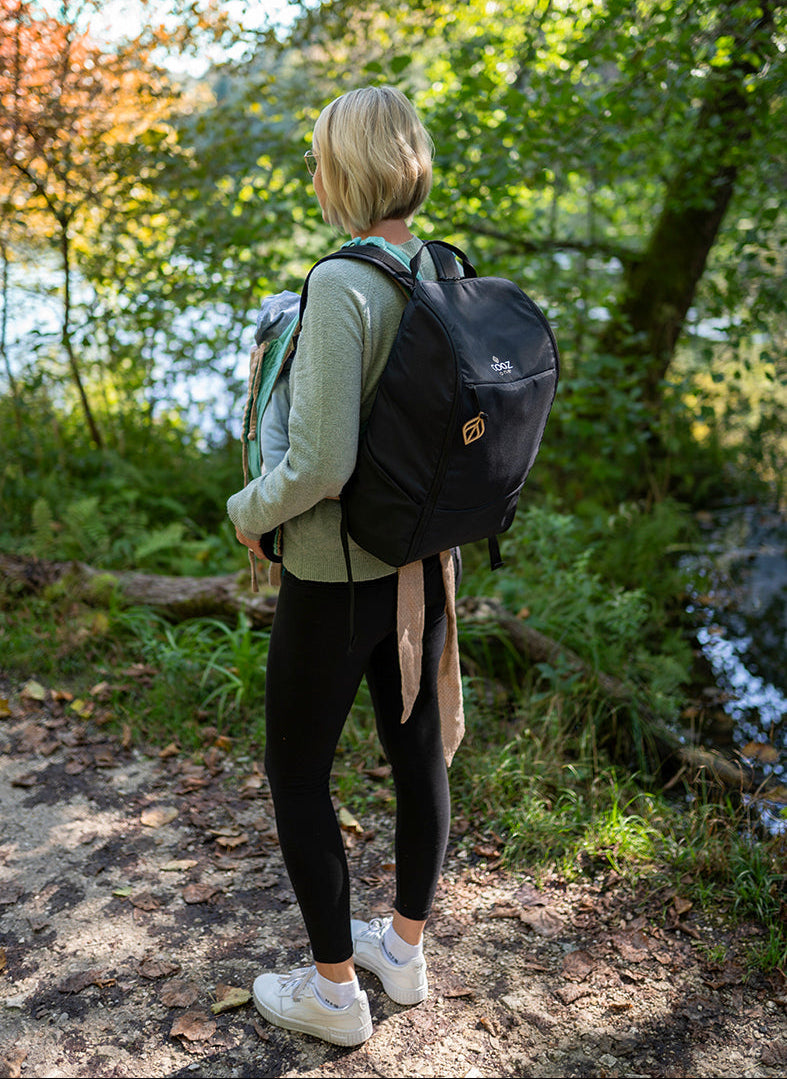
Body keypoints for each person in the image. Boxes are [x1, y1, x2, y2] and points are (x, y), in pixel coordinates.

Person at [226, 85, 464, 1047]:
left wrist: (247, 512)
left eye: (322, 157)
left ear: (344, 168)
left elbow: (320, 463)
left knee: (294, 772)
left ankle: (334, 993)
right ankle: (402, 952)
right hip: (424, 562)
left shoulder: (340, 284)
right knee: (415, 753)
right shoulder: (437, 268)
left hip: (337, 576)